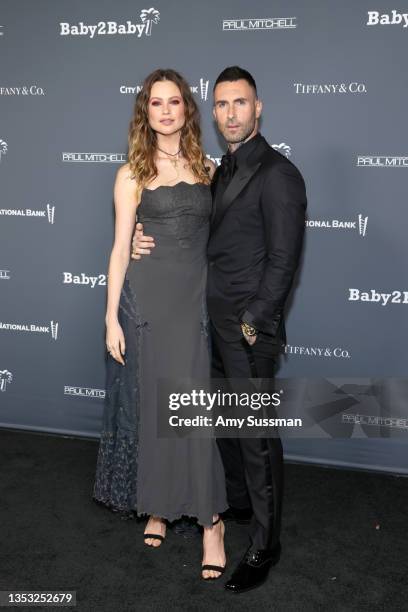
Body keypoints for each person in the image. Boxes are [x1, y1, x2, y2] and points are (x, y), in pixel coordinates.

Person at [131, 65, 307, 593]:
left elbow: (284, 260)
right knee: (226, 434)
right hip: (206, 324)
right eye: (223, 104)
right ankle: (229, 510)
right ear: (214, 111)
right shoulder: (220, 168)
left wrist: (254, 321)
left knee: (256, 438)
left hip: (246, 330)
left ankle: (264, 545)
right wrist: (142, 236)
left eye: (241, 103)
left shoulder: (278, 173)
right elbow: (188, 227)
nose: (231, 113)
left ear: (259, 108)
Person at [92, 68, 228, 581]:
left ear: (186, 110)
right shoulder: (131, 172)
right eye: (156, 103)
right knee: (154, 406)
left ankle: (212, 523)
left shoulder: (208, 168)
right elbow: (120, 246)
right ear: (144, 112)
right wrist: (111, 317)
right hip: (145, 303)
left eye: (174, 102)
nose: (166, 110)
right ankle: (158, 506)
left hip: (194, 302)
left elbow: (223, 240)